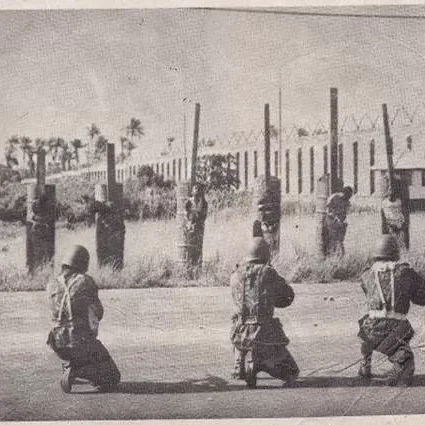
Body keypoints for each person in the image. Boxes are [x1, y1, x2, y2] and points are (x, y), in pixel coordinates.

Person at [46, 244, 121, 393]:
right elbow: (99, 312)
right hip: (81, 343)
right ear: (83, 263)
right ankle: (77, 371)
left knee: (80, 349)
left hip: (58, 344)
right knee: (113, 377)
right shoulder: (86, 282)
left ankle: (72, 365)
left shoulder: (52, 284)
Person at [230, 234, 299, 387]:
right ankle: (260, 363)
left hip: (240, 332)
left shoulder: (235, 274)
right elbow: (287, 296)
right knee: (292, 372)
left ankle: (239, 365)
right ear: (266, 255)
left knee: (238, 322)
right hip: (264, 332)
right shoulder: (268, 273)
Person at [358, 235, 425, 386]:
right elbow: (421, 297)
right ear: (396, 253)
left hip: (370, 330)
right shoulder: (406, 272)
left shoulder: (366, 274)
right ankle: (402, 366)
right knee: (405, 357)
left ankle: (365, 363)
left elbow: (369, 294)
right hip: (396, 329)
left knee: (365, 320)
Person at [184, 183, 208, 267]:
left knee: (198, 248)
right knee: (189, 248)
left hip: (199, 228)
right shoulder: (188, 202)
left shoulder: (203, 203)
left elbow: (204, 216)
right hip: (190, 228)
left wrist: (197, 222)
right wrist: (190, 224)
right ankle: (189, 267)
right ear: (192, 191)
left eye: (199, 189)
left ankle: (197, 267)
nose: (197, 190)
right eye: (195, 188)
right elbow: (185, 215)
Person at [324, 186, 353, 256]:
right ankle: (332, 255)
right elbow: (328, 210)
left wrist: (344, 221)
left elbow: (346, 213)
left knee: (340, 241)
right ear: (344, 193)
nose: (349, 198)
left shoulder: (347, 202)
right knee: (332, 240)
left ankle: (340, 255)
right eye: (348, 196)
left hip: (341, 224)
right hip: (332, 222)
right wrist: (336, 219)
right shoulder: (335, 198)